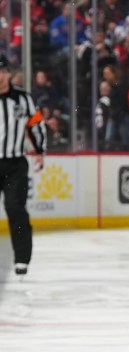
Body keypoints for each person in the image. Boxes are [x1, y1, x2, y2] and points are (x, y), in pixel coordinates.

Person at [0, 54, 46, 277]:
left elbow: (36, 124)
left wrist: (40, 150)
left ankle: (21, 259)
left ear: (9, 73)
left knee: (15, 208)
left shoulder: (23, 99)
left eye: (2, 71)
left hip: (15, 164)